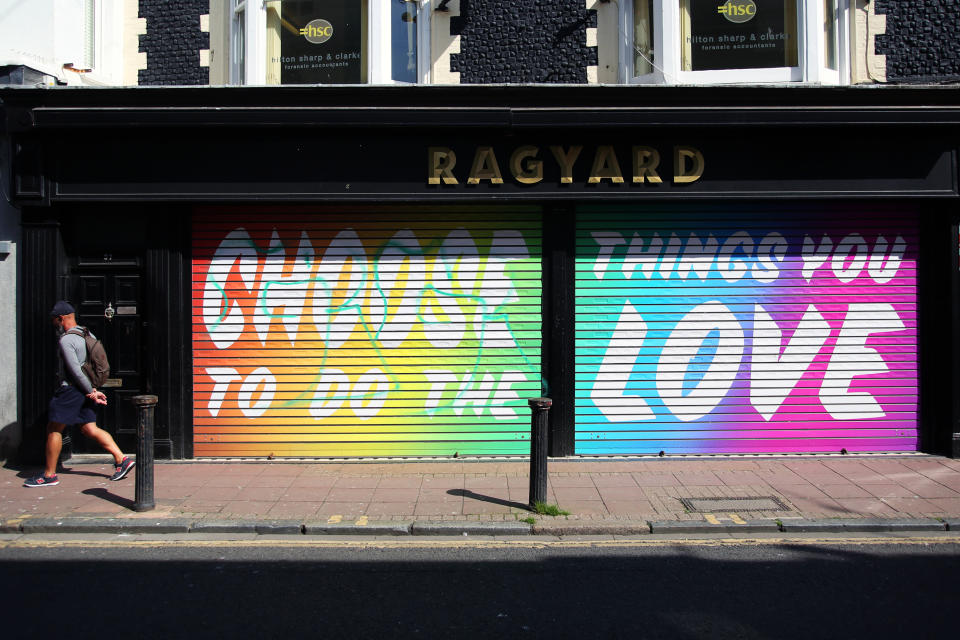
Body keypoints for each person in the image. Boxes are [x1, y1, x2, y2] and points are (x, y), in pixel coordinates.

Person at [24, 301, 135, 487]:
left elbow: (75, 370)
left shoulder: (66, 339)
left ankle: (49, 475)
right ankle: (121, 459)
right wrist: (92, 389)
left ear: (61, 319)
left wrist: (89, 391)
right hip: (86, 388)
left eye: (54, 320)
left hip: (72, 390)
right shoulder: (87, 333)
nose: (54, 324)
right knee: (89, 428)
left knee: (53, 429)